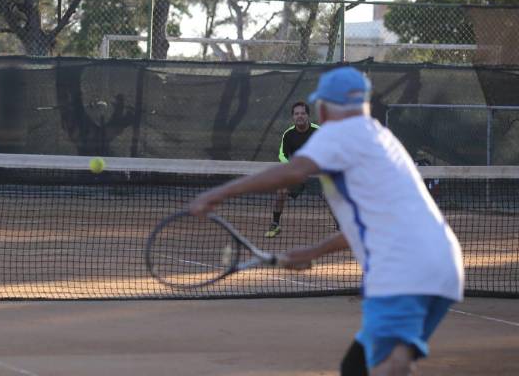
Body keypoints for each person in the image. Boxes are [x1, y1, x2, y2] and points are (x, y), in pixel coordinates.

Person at [188, 66, 463, 376]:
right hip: (444, 263)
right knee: (367, 365)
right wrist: (312, 252)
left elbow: (293, 171)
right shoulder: (380, 138)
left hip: (402, 268)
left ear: (323, 106)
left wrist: (218, 193)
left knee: (389, 365)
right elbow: (369, 223)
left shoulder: (338, 133)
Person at [266, 101, 319, 238]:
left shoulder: (318, 131)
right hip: (296, 174)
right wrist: (292, 167)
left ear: (308, 115)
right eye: (296, 114)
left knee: (331, 196)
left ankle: (340, 227)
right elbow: (282, 155)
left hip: (315, 174)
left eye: (302, 113)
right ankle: (275, 224)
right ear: (293, 117)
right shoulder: (288, 134)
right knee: (281, 191)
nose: (299, 116)